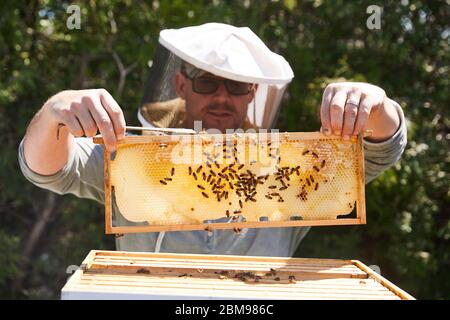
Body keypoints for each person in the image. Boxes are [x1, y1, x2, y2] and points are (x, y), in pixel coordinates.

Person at [18, 23, 407, 256]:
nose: (222, 96)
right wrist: (57, 111)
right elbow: (48, 169)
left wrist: (375, 106)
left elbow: (378, 150)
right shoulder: (135, 159)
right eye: (206, 82)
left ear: (254, 93)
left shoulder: (288, 167)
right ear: (181, 85)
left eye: (236, 86)